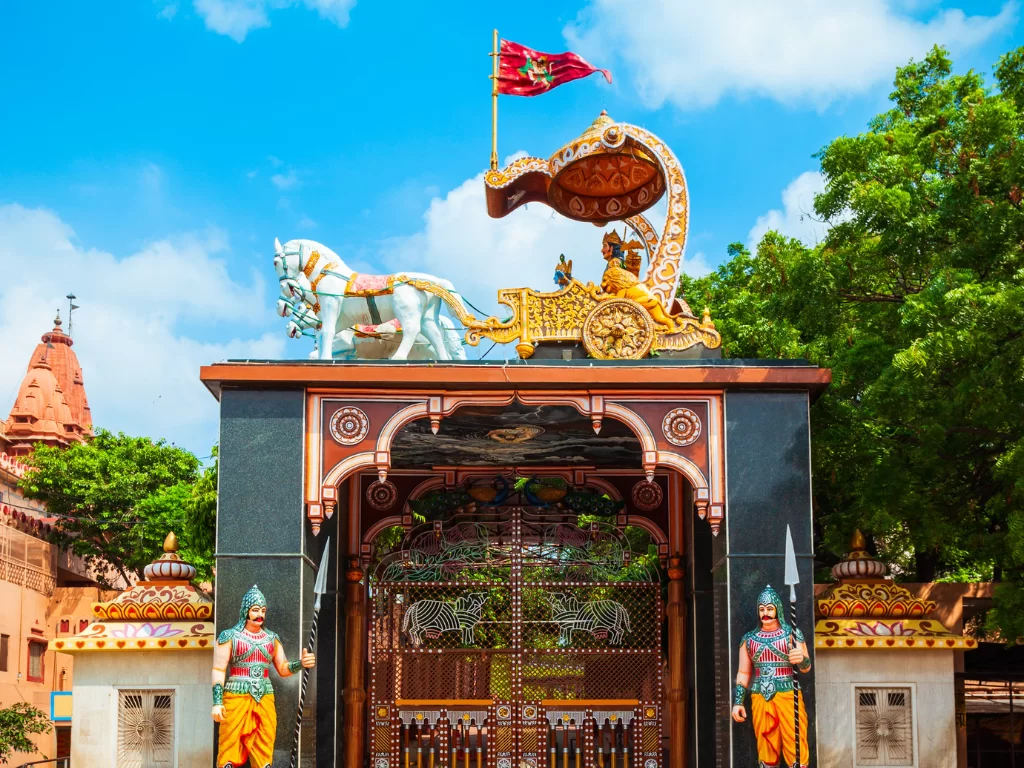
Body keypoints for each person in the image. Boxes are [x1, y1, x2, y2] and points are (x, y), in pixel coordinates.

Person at [212, 585, 315, 768]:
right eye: (255, 610)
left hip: (265, 695)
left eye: (263, 610)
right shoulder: (229, 636)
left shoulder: (271, 638)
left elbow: (283, 668)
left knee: (265, 741)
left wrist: (301, 663)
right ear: (245, 610)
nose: (260, 614)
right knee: (230, 742)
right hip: (236, 695)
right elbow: (219, 669)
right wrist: (217, 702)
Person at [731, 584, 811, 768]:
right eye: (761, 609)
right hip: (760, 695)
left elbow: (806, 668)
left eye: (769, 608)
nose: (765, 613)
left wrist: (801, 659)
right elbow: (743, 672)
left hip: (788, 693)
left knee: (795, 741)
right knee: (766, 743)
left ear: (778, 609)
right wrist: (738, 702)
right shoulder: (749, 639)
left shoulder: (792, 634)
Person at [599, 231, 681, 330]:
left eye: (604, 246)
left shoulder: (615, 264)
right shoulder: (615, 264)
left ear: (611, 248)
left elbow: (620, 288)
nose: (602, 250)